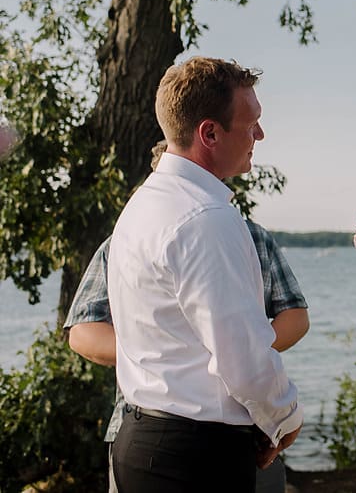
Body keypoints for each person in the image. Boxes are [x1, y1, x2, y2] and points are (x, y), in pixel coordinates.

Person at [65, 143, 310, 493]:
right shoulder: (125, 238)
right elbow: (83, 333)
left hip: (249, 424)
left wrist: (233, 354)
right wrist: (178, 356)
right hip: (150, 425)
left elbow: (295, 316)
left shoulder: (253, 238)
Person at [107, 56, 302, 491]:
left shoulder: (142, 205)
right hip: (193, 459)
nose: (260, 135)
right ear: (209, 133)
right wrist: (285, 416)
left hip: (141, 443)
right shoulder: (204, 218)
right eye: (251, 124)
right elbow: (241, 352)